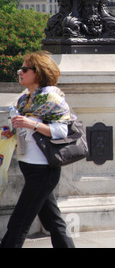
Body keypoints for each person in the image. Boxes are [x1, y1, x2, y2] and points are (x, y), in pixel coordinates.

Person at [0, 51, 75, 248]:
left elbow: (60, 131)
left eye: (25, 68)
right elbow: (26, 129)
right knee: (53, 222)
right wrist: (12, 133)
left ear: (39, 72)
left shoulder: (52, 99)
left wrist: (29, 124)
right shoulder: (25, 100)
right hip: (30, 167)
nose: (20, 71)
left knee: (19, 222)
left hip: (44, 169)